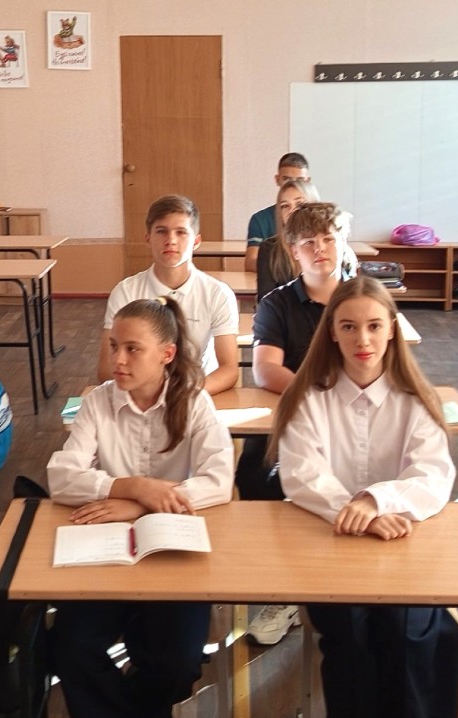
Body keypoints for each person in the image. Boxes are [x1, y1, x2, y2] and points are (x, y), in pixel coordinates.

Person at [268, 276, 458, 718]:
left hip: (403, 551)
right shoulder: (308, 398)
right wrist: (360, 514)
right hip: (329, 548)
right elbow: (301, 475)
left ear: (392, 329)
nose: (363, 339)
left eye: (375, 326)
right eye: (349, 327)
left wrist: (375, 501)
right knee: (351, 640)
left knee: (409, 634)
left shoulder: (415, 399)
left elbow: (433, 476)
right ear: (332, 332)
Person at [47, 297, 233, 718]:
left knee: (180, 660)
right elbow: (61, 476)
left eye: (133, 349)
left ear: (167, 354)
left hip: (173, 549)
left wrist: (142, 505)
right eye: (114, 346)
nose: (118, 360)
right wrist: (132, 487)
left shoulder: (194, 402)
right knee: (70, 646)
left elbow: (219, 481)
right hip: (106, 550)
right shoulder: (98, 402)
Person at [238, 201, 353, 645]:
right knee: (255, 473)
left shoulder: (363, 298)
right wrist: (319, 396)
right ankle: (284, 587)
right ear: (293, 251)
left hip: (355, 418)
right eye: (309, 242)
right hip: (297, 414)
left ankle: (340, 574)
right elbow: (266, 370)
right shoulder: (277, 303)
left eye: (328, 239)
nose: (320, 249)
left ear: (342, 242)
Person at [99, 194, 239, 394]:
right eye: (161, 231)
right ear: (147, 238)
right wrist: (153, 396)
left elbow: (229, 370)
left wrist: (182, 394)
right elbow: (106, 370)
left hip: (194, 393)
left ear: (196, 241)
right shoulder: (126, 292)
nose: (171, 240)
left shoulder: (218, 294)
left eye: (181, 232)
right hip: (139, 395)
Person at [244, 152, 318, 272]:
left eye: (300, 180)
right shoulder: (261, 219)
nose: (292, 184)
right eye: (286, 179)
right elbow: (251, 262)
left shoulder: (322, 219)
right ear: (277, 180)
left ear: (308, 181)